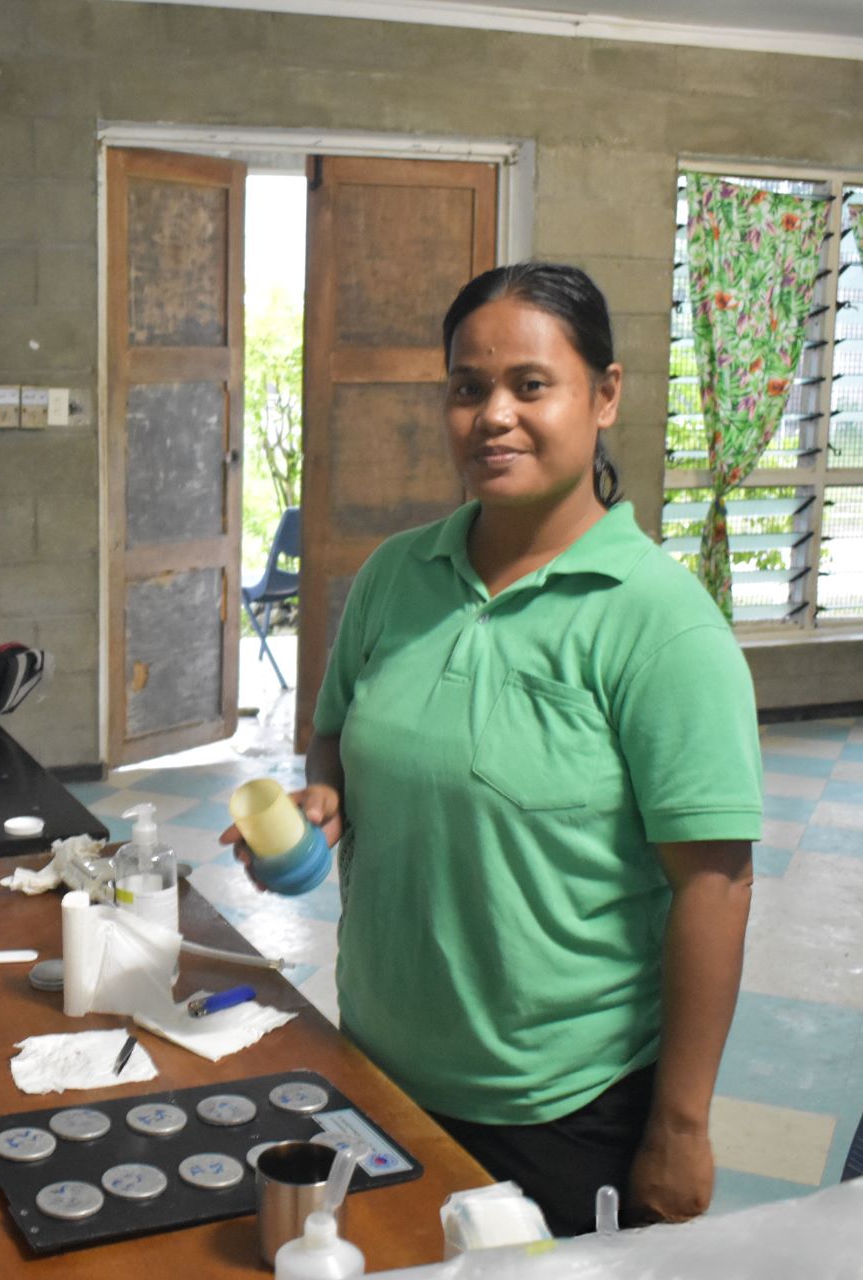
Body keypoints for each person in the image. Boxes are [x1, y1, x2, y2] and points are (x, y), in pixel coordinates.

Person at [222, 262, 761, 1236]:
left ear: (605, 395)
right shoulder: (396, 576)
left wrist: (681, 1126)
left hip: (560, 1107)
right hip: (375, 1067)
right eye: (468, 388)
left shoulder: (661, 625)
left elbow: (715, 886)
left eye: (530, 385)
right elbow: (336, 734)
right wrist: (322, 800)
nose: (493, 416)